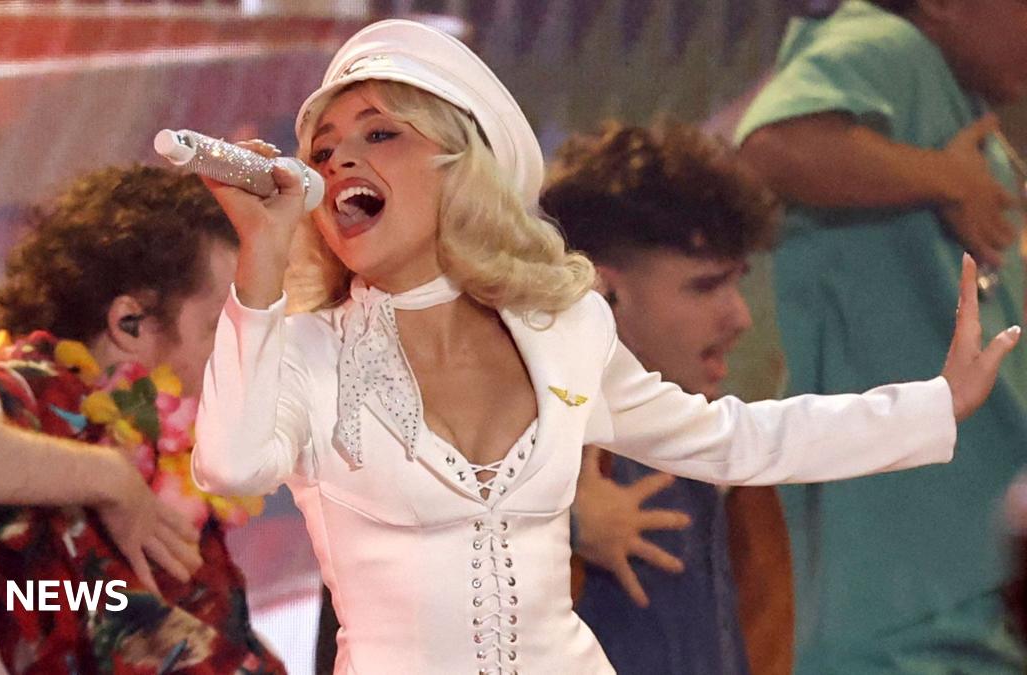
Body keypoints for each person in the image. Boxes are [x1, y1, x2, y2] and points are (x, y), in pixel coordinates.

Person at [193, 18, 1016, 674]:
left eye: (379, 134)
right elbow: (229, 466)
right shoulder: (301, 350)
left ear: (459, 168)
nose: (339, 159)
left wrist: (932, 405)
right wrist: (261, 258)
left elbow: (733, 439)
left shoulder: (563, 331)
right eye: (322, 148)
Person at [0, 165, 285, 674]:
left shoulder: (171, 429)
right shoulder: (50, 390)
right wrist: (109, 477)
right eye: (222, 326)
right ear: (130, 323)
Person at [734, 1, 1027, 671]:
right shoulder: (888, 43)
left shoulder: (946, 86)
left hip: (956, 576)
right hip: (903, 594)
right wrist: (948, 177)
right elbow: (772, 146)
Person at [541, 120, 793, 675]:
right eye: (706, 286)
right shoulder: (517, 444)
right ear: (602, 291)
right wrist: (552, 528)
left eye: (736, 281)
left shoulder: (724, 462)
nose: (740, 317)